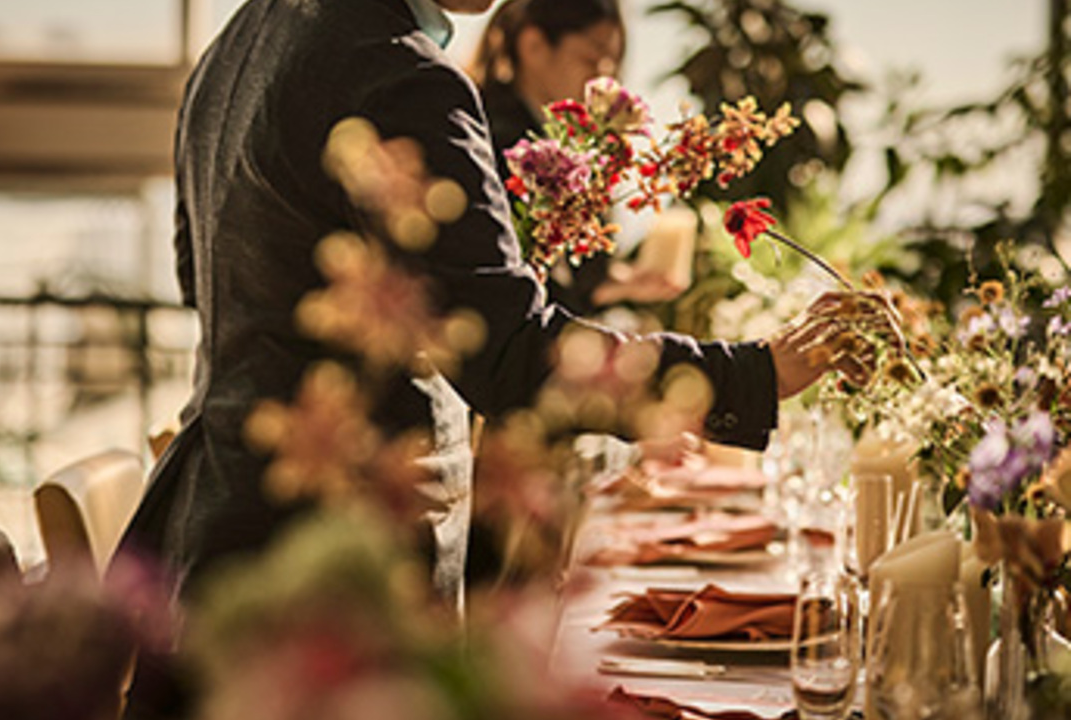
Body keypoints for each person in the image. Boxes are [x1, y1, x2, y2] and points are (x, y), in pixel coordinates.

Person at [115, 0, 884, 715]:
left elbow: (204, 282)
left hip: (218, 532)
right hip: (340, 568)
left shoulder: (235, 45)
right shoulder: (397, 72)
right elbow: (510, 354)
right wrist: (753, 374)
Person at [470, 0, 686, 313]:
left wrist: (617, 284)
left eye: (611, 62)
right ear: (533, 46)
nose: (604, 76)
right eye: (591, 58)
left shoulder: (574, 147)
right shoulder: (489, 135)